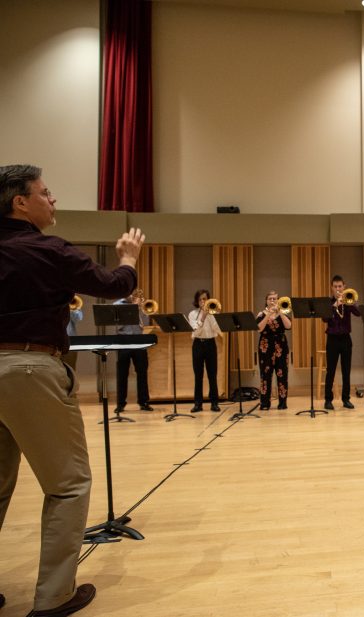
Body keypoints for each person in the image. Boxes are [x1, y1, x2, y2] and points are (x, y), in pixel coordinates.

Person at [0, 164, 143, 617]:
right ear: (20, 202)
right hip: (29, 368)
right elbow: (111, 286)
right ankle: (53, 597)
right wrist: (129, 258)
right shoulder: (46, 250)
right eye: (46, 193)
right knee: (68, 485)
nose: (53, 200)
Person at [322, 275, 360, 410]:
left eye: (340, 286)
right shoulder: (328, 302)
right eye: (335, 286)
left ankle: (346, 399)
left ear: (344, 287)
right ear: (331, 288)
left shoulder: (347, 300)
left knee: (346, 371)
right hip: (332, 339)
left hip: (345, 339)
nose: (338, 289)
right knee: (330, 371)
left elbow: (358, 313)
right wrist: (334, 306)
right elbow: (325, 319)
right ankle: (328, 400)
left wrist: (351, 302)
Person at [113, 289, 154, 413]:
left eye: (132, 293)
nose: (131, 295)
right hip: (123, 340)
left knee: (142, 372)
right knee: (122, 374)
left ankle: (144, 402)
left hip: (139, 341)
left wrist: (139, 309)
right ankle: (120, 403)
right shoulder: (117, 305)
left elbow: (144, 325)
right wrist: (131, 310)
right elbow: (118, 326)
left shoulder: (142, 306)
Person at [256, 290, 291, 410]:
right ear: (266, 301)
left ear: (278, 300)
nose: (272, 301)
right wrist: (267, 315)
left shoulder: (283, 312)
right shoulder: (261, 314)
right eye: (270, 299)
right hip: (265, 346)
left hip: (281, 345)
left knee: (282, 375)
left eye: (274, 299)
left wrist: (280, 312)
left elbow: (288, 326)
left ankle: (282, 403)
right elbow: (259, 329)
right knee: (265, 375)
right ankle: (265, 403)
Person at [188, 289, 222, 412]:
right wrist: (202, 316)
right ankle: (198, 404)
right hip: (198, 344)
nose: (203, 301)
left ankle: (214, 403)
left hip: (211, 344)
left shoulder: (213, 314)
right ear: (197, 301)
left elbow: (218, 330)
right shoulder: (192, 314)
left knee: (212, 375)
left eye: (205, 299)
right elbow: (196, 331)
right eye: (201, 299)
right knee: (198, 375)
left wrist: (212, 315)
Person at [61, 300, 83, 370]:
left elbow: (79, 318)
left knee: (70, 368)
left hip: (71, 341)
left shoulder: (74, 308)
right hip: (56, 340)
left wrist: (72, 308)